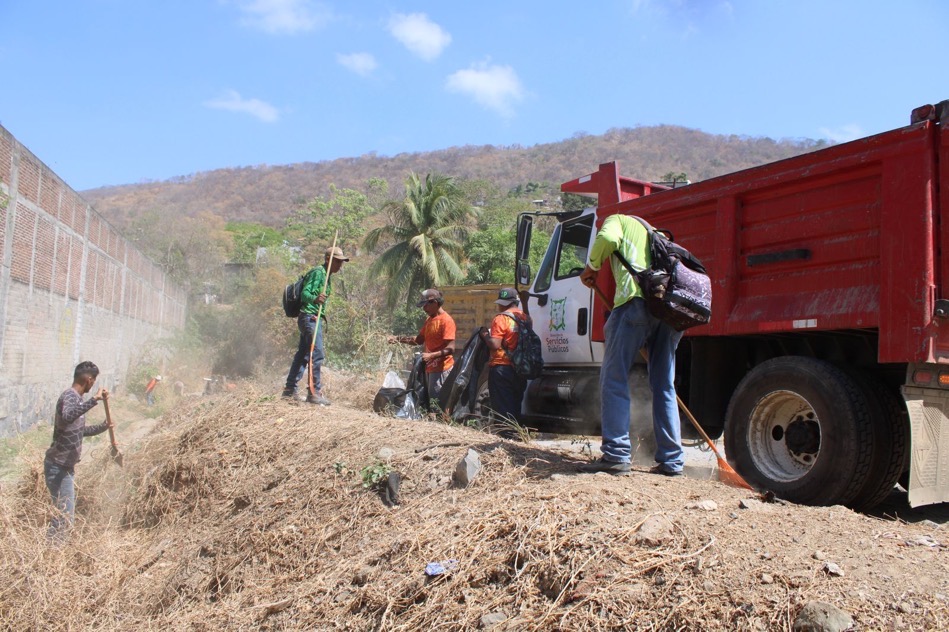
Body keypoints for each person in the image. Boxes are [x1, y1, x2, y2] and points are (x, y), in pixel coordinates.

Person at [578, 214, 685, 477]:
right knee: (664, 385)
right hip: (669, 311)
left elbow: (607, 238)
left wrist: (592, 266)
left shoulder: (617, 220)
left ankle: (615, 454)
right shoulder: (657, 235)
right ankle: (672, 461)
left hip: (635, 302)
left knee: (614, 378)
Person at [43, 361, 111, 540]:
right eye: (93, 380)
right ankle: (53, 554)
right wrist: (94, 400)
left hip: (65, 468)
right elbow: (67, 416)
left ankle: (54, 552)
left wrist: (103, 427)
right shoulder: (70, 396)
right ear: (88, 380)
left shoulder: (77, 400)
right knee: (64, 518)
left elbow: (80, 431)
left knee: (63, 516)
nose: (93, 385)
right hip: (57, 467)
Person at [282, 246, 349, 405]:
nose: (340, 265)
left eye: (341, 262)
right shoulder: (319, 273)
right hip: (310, 318)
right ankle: (314, 392)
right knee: (316, 354)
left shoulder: (327, 275)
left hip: (311, 318)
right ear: (328, 260)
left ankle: (289, 390)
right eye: (338, 261)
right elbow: (305, 294)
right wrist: (316, 298)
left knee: (303, 355)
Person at [388, 289, 456, 402]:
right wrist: (398, 339)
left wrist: (432, 356)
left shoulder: (446, 321)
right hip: (430, 368)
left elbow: (451, 348)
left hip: (442, 370)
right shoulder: (430, 320)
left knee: (438, 405)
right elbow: (419, 340)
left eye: (426, 305)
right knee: (429, 403)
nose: (424, 309)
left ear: (434, 302)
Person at [478, 288, 529, 429]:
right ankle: (515, 435)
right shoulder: (524, 318)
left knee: (502, 408)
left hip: (501, 368)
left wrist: (484, 335)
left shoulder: (501, 318)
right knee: (515, 404)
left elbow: (495, 344)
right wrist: (525, 303)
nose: (499, 306)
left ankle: (506, 436)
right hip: (520, 369)